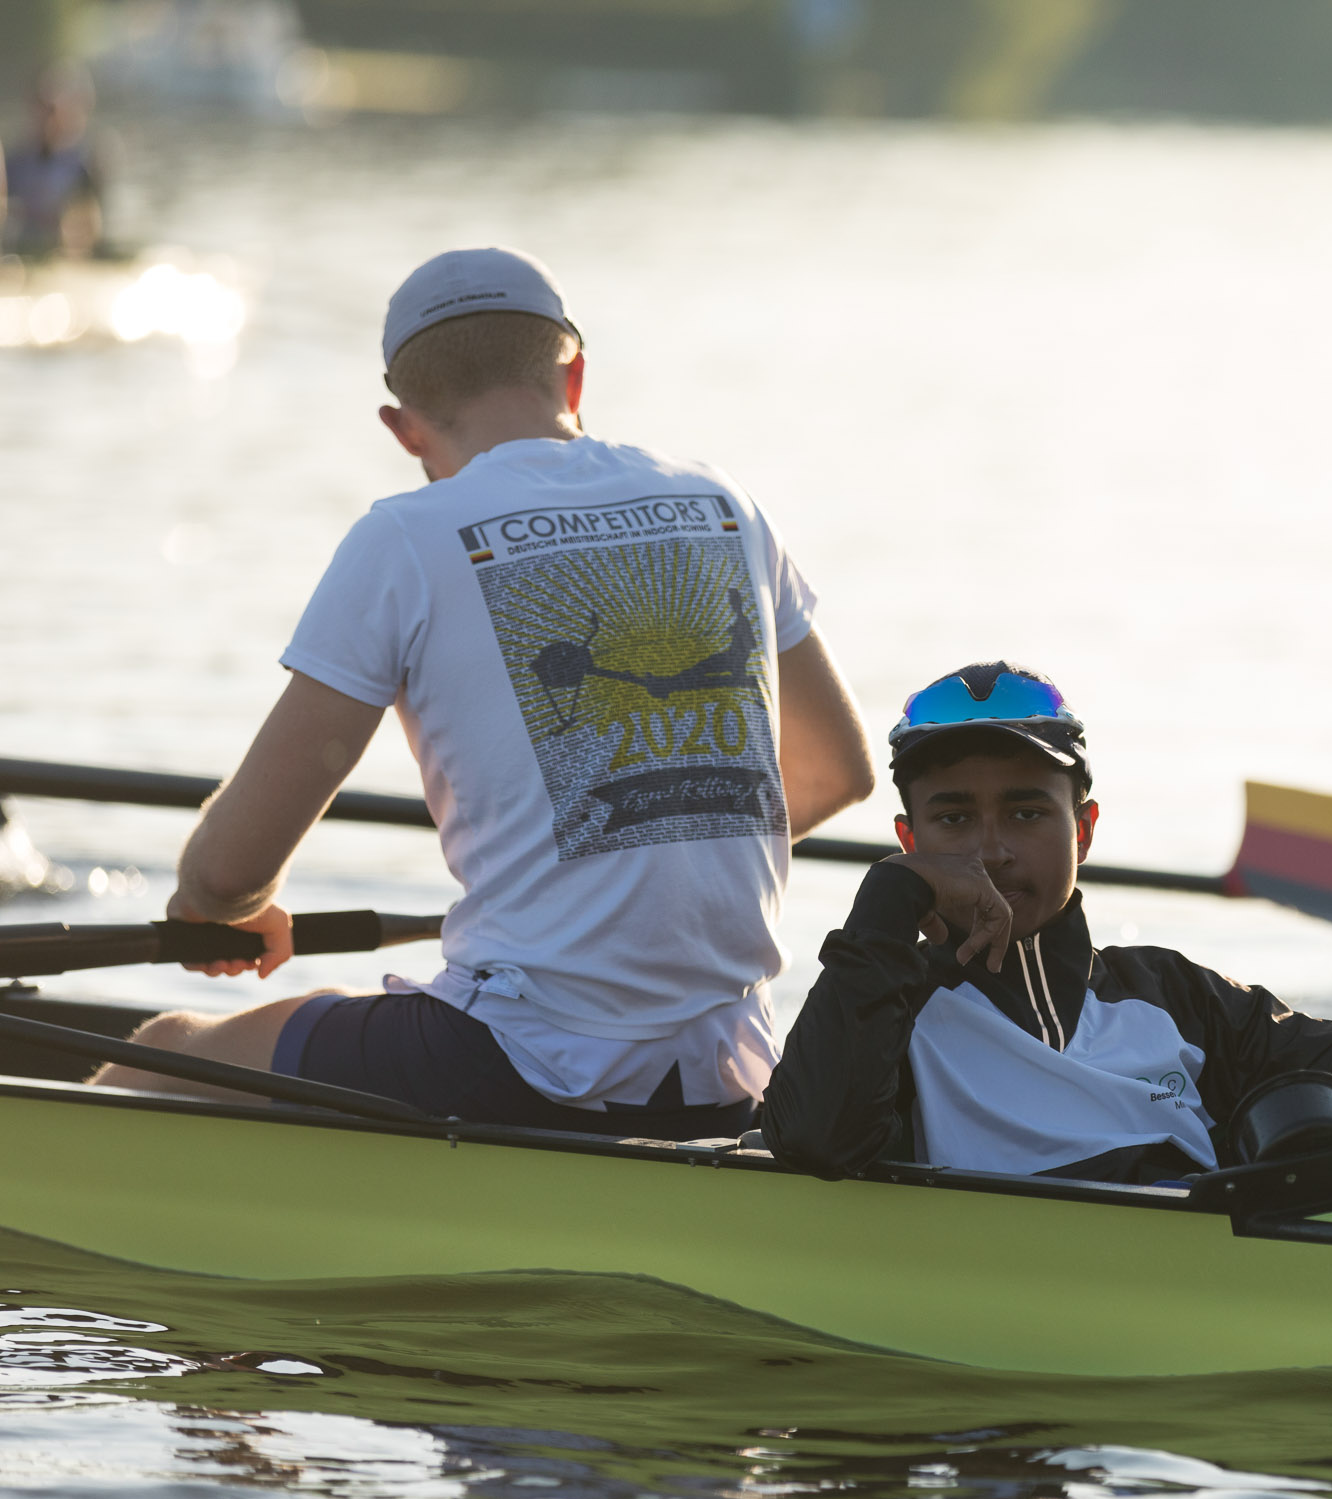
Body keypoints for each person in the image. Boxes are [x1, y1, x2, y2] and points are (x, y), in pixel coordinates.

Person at [95, 247, 876, 1136]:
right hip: (732, 1073)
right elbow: (834, 772)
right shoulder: (720, 501)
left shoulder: (404, 537)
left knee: (168, 1049)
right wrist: (631, 856)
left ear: (404, 428)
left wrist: (220, 911)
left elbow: (229, 869)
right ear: (574, 377)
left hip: (516, 1066)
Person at [760, 664, 1332, 1181]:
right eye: (954, 820)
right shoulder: (882, 1010)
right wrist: (887, 903)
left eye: (1027, 813)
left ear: (1086, 829)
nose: (991, 851)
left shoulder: (1172, 997)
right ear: (910, 841)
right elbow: (813, 1139)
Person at [4, 65, 106, 261]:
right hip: (22, 247)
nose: (45, 118)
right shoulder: (15, 161)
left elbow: (91, 220)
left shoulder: (82, 163)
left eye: (51, 110)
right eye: (40, 108)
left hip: (64, 251)